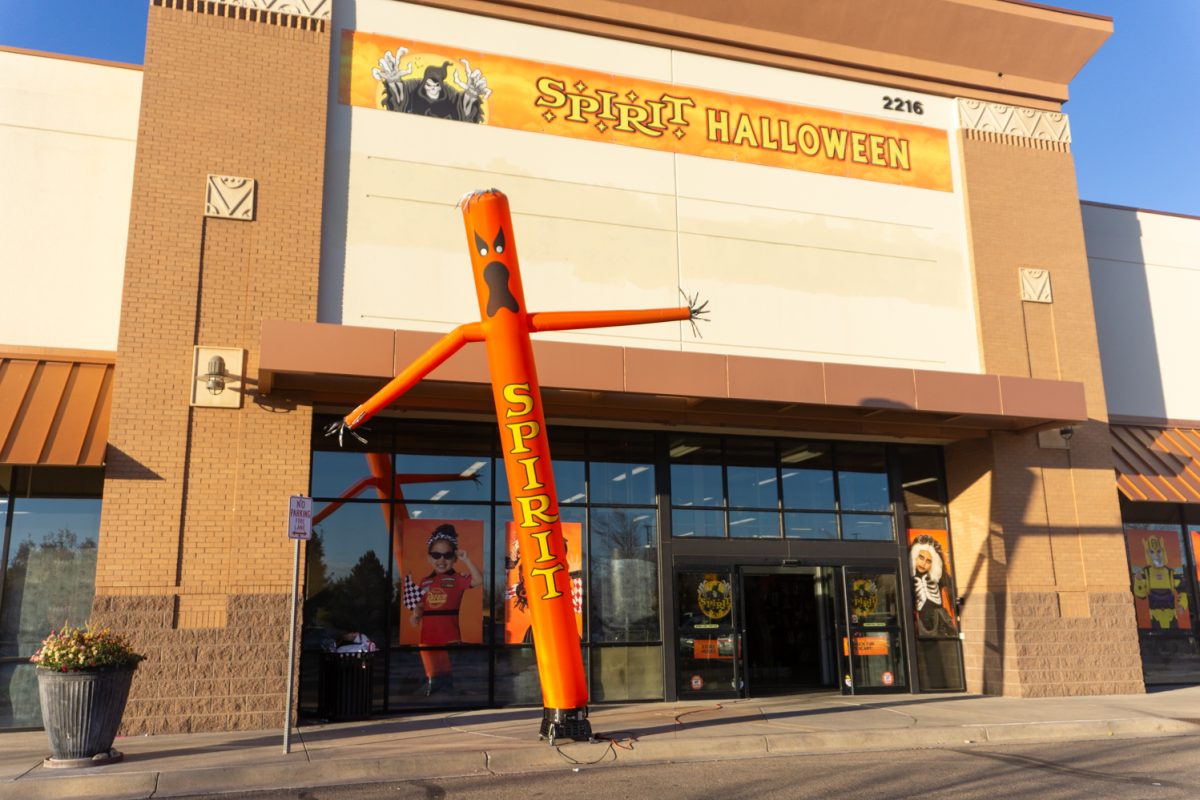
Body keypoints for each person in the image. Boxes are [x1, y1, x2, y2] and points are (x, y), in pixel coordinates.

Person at [409, 524, 482, 695]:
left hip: (449, 631)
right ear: (429, 558)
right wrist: (416, 615)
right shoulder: (425, 581)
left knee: (446, 660)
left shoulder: (457, 579)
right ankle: (432, 683)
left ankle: (447, 686)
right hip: (428, 629)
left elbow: (478, 580)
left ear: (454, 558)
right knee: (430, 658)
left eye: (447, 555)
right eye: (436, 555)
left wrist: (467, 559)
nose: (441, 560)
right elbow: (420, 603)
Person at [372, 49, 490, 123]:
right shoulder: (413, 89)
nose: (433, 89)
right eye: (429, 85)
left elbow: (465, 114)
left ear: (441, 86)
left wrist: (471, 95)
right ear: (424, 84)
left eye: (436, 85)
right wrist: (393, 82)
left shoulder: (451, 96)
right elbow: (399, 102)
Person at [910, 534, 958, 637]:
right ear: (914, 557)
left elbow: (951, 587)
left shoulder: (938, 577)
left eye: (928, 561)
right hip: (920, 618)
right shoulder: (910, 578)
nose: (923, 564)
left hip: (940, 618)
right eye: (921, 558)